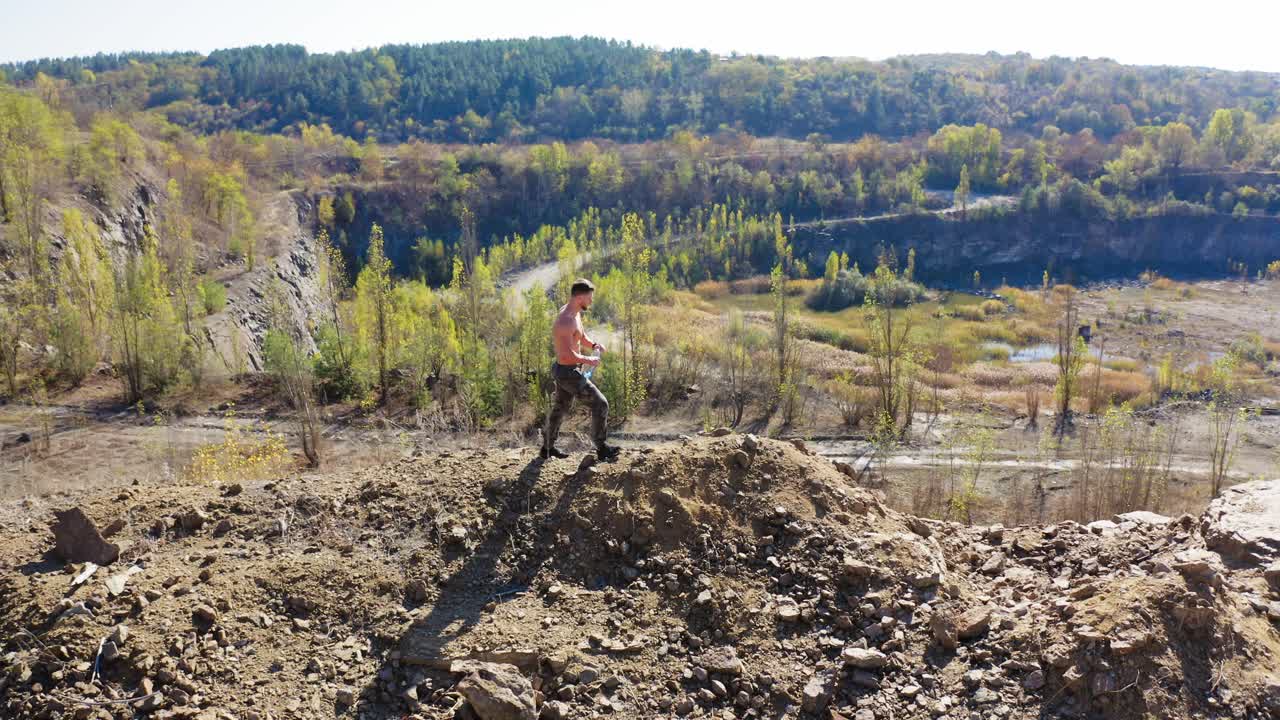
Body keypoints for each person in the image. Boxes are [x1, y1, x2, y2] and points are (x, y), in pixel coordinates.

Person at [542, 278, 621, 461]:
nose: (591, 301)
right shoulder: (565, 321)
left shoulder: (575, 313)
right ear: (580, 297)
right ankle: (602, 449)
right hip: (567, 372)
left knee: (560, 408)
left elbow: (581, 335)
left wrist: (593, 344)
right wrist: (589, 360)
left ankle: (547, 448)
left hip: (568, 370)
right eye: (589, 297)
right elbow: (566, 355)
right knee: (601, 404)